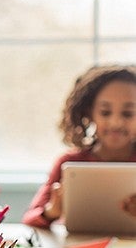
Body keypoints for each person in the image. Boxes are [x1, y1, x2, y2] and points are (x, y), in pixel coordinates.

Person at [22, 65, 136, 228]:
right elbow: (29, 219)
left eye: (128, 113)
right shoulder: (69, 162)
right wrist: (52, 211)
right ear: (90, 113)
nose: (116, 123)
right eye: (105, 112)